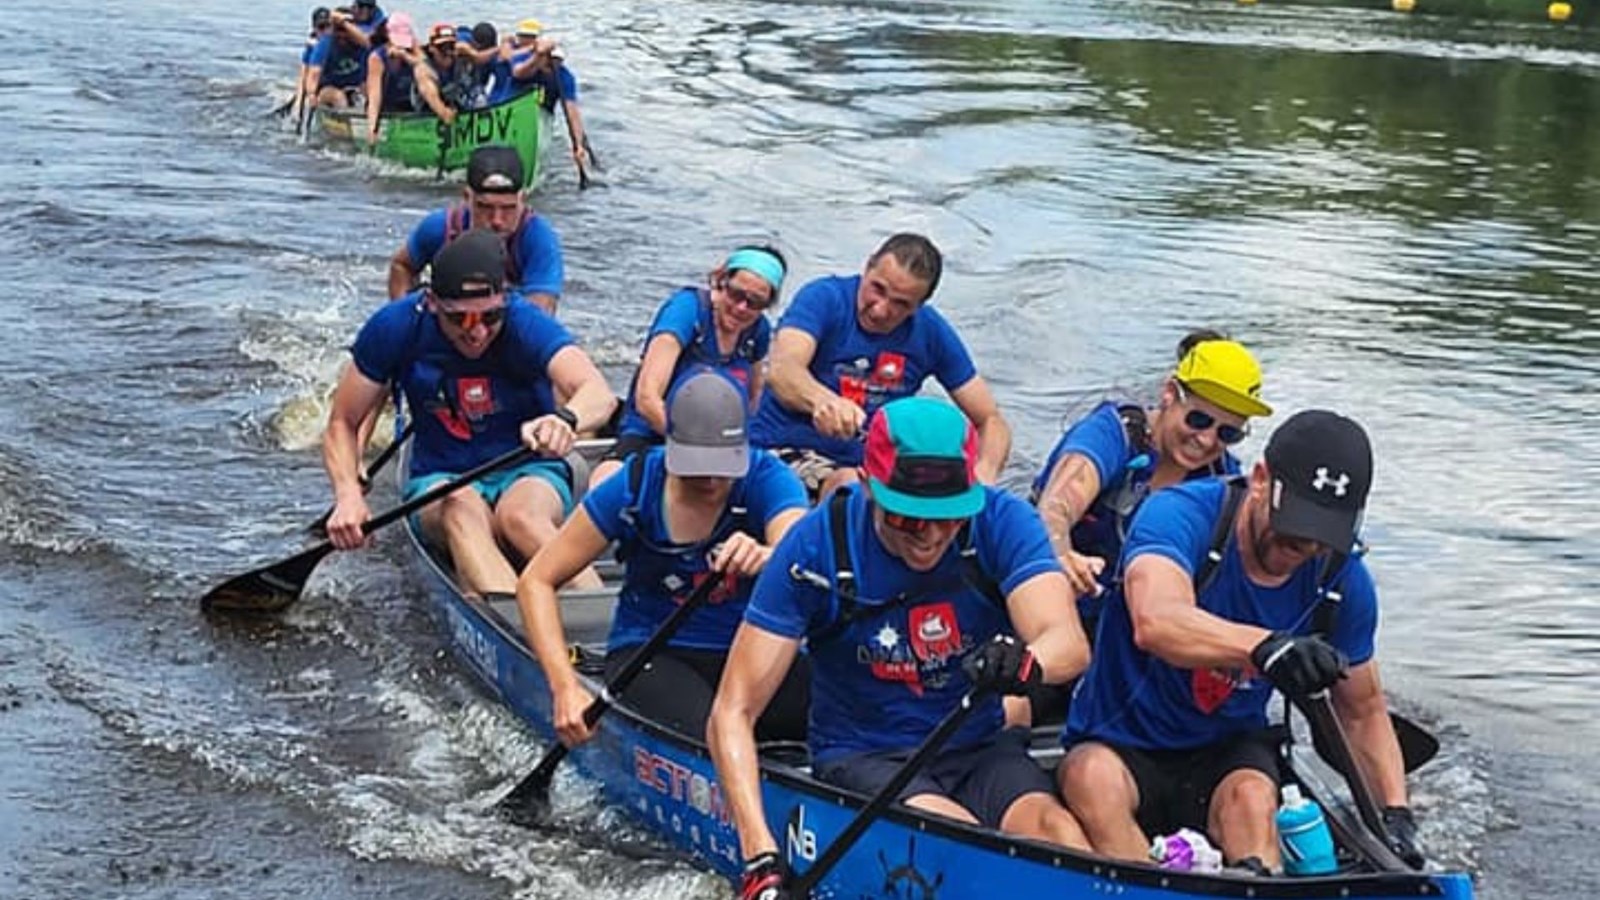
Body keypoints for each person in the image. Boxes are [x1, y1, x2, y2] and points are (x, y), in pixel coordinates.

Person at [709, 397, 1093, 898]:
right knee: (966, 849)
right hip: (866, 756)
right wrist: (760, 855)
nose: (931, 536)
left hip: (976, 745)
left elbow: (1068, 643)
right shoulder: (814, 545)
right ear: (869, 485)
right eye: (910, 518)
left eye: (951, 517)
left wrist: (1026, 662)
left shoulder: (1002, 522)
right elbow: (732, 712)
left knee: (1059, 838)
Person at [1056, 410, 1426, 873]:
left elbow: (1362, 710)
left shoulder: (1343, 579)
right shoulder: (1179, 515)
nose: (1306, 547)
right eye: (1295, 523)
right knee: (1092, 780)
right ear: (1259, 479)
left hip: (1226, 748)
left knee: (1253, 802)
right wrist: (1267, 647)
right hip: (1119, 740)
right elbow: (1157, 621)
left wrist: (1395, 815)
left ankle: (1259, 878)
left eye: (1322, 534)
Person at [517, 370, 810, 746]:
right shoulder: (635, 485)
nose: (709, 481)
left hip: (749, 649)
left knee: (851, 714)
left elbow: (796, 552)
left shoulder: (768, 477)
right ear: (670, 446)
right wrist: (564, 688)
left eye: (722, 468)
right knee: (711, 736)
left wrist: (768, 555)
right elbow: (536, 581)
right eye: (696, 466)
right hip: (653, 652)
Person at [323, 230, 616, 600]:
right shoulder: (395, 327)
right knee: (459, 504)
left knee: (521, 518)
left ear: (505, 299)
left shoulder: (525, 321)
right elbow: (342, 423)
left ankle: (605, 621)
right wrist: (348, 493)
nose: (477, 332)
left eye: (490, 316)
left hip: (526, 467)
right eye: (460, 320)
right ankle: (522, 631)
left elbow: (599, 393)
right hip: (439, 478)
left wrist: (566, 419)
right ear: (431, 303)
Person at [1031, 332, 1271, 629]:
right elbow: (1056, 506)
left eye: (1228, 434)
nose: (1207, 439)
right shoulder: (1112, 435)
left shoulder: (1221, 481)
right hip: (1059, 604)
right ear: (1169, 393)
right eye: (1199, 420)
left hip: (1130, 620)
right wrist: (1062, 555)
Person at [749, 233, 1010, 498]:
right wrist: (823, 402)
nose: (880, 310)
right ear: (868, 267)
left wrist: (984, 475)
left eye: (901, 304)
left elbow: (990, 420)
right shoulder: (824, 299)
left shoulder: (931, 333)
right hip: (782, 452)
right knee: (851, 487)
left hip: (873, 467)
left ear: (920, 305)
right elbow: (783, 370)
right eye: (878, 289)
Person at [589, 245, 785, 487]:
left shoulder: (759, 332)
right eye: (736, 295)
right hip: (653, 432)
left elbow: (754, 400)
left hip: (720, 448)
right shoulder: (686, 311)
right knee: (609, 477)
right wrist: (691, 451)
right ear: (721, 282)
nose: (741, 308)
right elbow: (647, 398)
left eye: (754, 303)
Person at [387, 145, 562, 313]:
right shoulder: (441, 228)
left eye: (508, 208)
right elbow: (402, 266)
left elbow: (540, 312)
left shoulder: (538, 240)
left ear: (522, 200)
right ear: (467, 198)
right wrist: (405, 317)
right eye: (485, 207)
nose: (497, 221)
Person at [359, 13, 427, 144]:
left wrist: (406, 56)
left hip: (410, 104)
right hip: (386, 106)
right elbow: (374, 97)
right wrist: (372, 128)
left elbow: (426, 67)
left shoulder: (414, 49)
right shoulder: (377, 58)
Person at [303, 7, 369, 112]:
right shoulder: (325, 44)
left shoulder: (361, 44)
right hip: (328, 89)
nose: (342, 35)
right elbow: (314, 73)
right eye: (338, 30)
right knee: (338, 97)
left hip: (355, 87)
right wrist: (311, 94)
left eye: (345, 30)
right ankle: (345, 119)